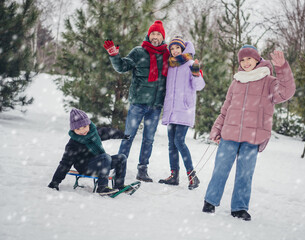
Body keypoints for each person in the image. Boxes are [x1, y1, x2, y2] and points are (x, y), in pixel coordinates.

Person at [202, 45, 296, 220]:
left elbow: (286, 92)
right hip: (229, 133)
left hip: (253, 136)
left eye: (249, 59)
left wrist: (282, 68)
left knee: (245, 173)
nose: (245, 63)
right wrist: (217, 128)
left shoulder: (269, 81)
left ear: (257, 59)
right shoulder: (237, 81)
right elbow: (226, 108)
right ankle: (210, 201)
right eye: (242, 60)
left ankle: (239, 208)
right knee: (220, 169)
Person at [103, 20, 170, 182]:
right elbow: (122, 66)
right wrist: (114, 55)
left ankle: (142, 170)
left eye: (158, 34)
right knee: (128, 136)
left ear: (163, 37)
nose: (155, 37)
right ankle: (119, 166)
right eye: (153, 33)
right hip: (138, 103)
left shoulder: (167, 55)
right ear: (148, 35)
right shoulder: (139, 52)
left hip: (155, 106)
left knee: (149, 139)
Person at [48, 108, 130, 196]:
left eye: (84, 127)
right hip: (84, 167)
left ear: (89, 124)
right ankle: (102, 187)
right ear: (73, 130)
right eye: (78, 129)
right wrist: (55, 182)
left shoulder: (94, 133)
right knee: (105, 157)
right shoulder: (73, 144)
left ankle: (119, 185)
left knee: (122, 157)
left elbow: (108, 132)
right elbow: (65, 163)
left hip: (100, 163)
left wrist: (123, 135)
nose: (82, 131)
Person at [158, 36, 205, 190]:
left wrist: (196, 74)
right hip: (172, 111)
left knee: (179, 141)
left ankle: (192, 176)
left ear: (183, 48)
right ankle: (174, 175)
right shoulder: (171, 66)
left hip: (184, 109)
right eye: (172, 49)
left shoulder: (191, 64)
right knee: (172, 144)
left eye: (177, 48)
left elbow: (199, 87)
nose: (174, 51)